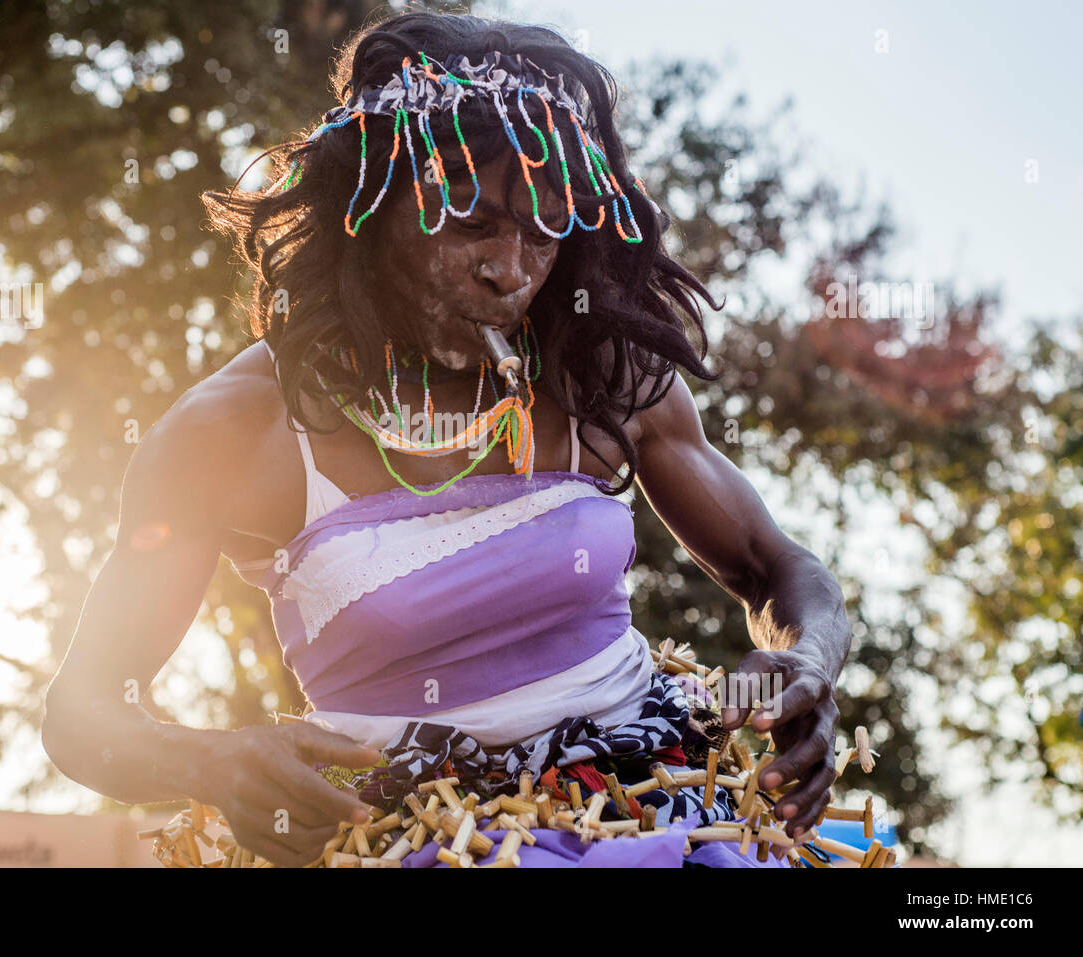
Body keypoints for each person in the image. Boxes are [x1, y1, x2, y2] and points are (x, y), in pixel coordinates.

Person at [42, 11, 850, 868]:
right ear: (367, 208)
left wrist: (808, 662)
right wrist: (210, 760)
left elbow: (778, 569)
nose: (511, 269)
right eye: (470, 221)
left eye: (544, 228)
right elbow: (82, 712)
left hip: (647, 812)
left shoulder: (598, 372)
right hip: (400, 836)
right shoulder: (236, 430)